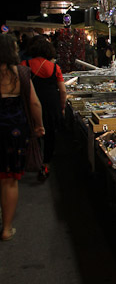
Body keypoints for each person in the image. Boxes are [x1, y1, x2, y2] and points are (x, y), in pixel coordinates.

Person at [0, 34, 45, 241]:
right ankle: (7, 228)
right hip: (14, 131)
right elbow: (34, 103)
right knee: (10, 181)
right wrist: (39, 125)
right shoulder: (21, 73)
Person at [22, 36, 67, 181]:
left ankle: (33, 159)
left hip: (30, 104)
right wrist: (62, 107)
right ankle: (46, 164)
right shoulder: (54, 67)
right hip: (51, 104)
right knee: (50, 135)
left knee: (32, 133)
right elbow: (63, 91)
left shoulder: (24, 65)